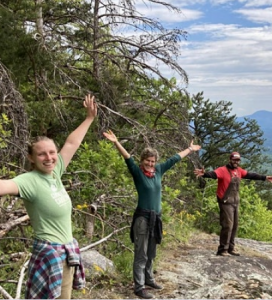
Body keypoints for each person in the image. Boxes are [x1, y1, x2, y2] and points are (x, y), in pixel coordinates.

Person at [0, 94, 97, 299]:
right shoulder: (30, 181)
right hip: (49, 257)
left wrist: (89, 118)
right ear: (31, 158)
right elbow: (4, 185)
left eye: (52, 152)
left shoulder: (55, 172)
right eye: (42, 154)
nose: (49, 157)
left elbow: (72, 143)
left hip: (66, 255)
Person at [102, 130, 201, 299]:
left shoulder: (159, 170)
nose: (150, 163)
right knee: (141, 253)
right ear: (142, 161)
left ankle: (149, 279)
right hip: (142, 218)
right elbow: (128, 158)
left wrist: (190, 149)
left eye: (152, 161)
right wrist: (116, 142)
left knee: (152, 252)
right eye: (147, 160)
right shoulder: (137, 172)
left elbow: (175, 158)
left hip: (156, 218)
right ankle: (139, 286)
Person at [194, 151, 272, 257]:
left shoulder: (239, 171)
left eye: (238, 160)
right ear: (230, 160)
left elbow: (250, 175)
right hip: (225, 202)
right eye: (234, 160)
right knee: (227, 225)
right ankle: (222, 250)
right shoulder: (222, 170)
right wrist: (204, 174)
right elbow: (213, 174)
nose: (236, 162)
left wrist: (264, 177)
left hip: (235, 202)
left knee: (235, 226)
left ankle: (231, 248)